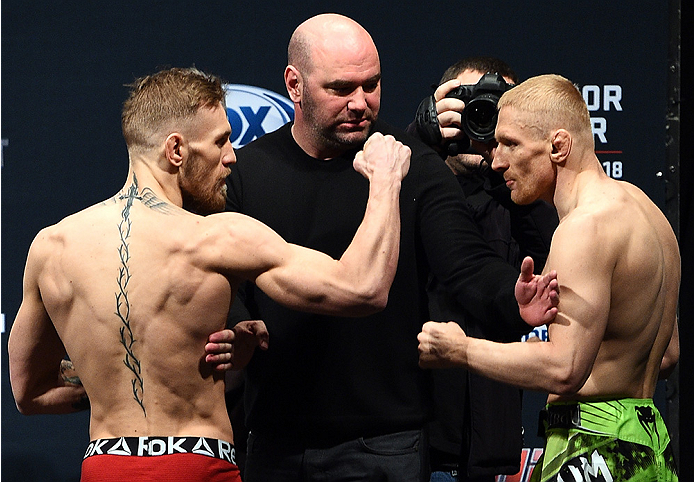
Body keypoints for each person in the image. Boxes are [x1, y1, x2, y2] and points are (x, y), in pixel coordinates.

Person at [7, 66, 413, 482]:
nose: (232, 156)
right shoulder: (216, 237)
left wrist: (108, 376)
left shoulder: (51, 247)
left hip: (105, 464)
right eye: (221, 140)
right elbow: (363, 288)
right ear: (176, 150)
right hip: (197, 463)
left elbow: (28, 392)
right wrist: (386, 182)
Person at [206, 14, 559, 482]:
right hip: (274, 442)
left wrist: (513, 299)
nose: (360, 103)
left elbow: (467, 265)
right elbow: (217, 281)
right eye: (340, 88)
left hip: (386, 444)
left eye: (371, 85)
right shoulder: (246, 175)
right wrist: (235, 326)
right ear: (294, 84)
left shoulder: (412, 165)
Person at [418, 74, 681, 481]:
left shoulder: (583, 228)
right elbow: (667, 356)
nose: (497, 159)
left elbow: (564, 368)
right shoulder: (647, 211)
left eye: (510, 144)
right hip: (647, 443)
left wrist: (461, 350)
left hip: (595, 449)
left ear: (558, 145)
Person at [408, 57, 559, 482]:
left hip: (491, 453)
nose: (484, 125)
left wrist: (507, 177)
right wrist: (421, 144)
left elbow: (556, 262)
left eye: (497, 113)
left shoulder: (519, 201)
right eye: (471, 106)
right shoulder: (403, 187)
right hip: (416, 447)